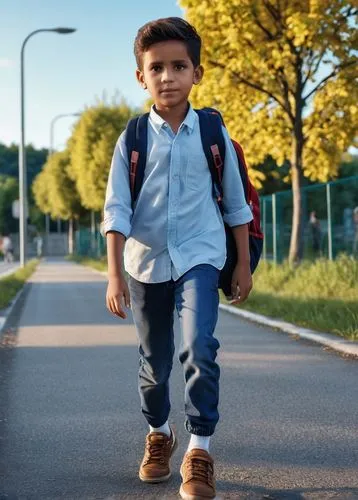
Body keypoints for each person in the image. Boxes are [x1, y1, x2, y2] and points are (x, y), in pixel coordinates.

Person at [102, 17, 253, 500]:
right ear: (141, 77)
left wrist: (243, 263)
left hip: (201, 257)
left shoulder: (213, 133)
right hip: (145, 264)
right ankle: (159, 434)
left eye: (179, 66)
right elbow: (117, 211)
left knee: (199, 348)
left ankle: (199, 448)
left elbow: (235, 203)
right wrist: (114, 275)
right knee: (154, 362)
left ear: (197, 73)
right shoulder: (132, 139)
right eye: (157, 68)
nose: (168, 76)